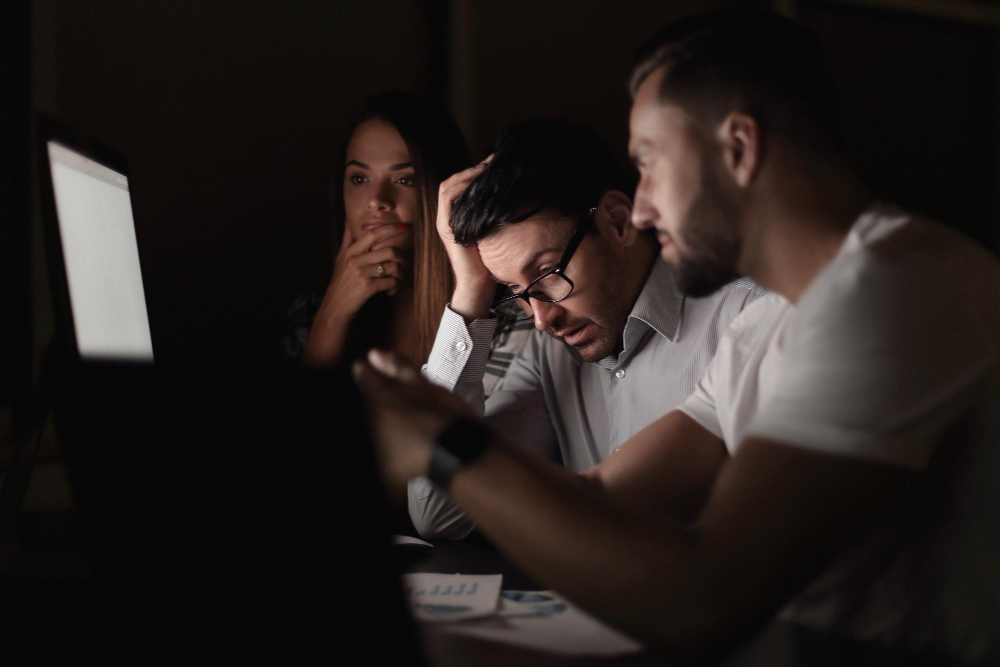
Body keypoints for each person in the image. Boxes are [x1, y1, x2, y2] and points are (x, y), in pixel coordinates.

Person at [355, 11, 1000, 663]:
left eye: (650, 163)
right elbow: (599, 496)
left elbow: (702, 591)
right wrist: (433, 427)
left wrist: (448, 445)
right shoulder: (764, 326)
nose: (638, 208)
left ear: (740, 148)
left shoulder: (893, 287)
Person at [410, 118, 766, 538]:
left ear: (617, 220)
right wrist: (470, 293)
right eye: (513, 290)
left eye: (547, 272)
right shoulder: (550, 355)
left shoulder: (748, 318)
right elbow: (438, 512)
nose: (541, 319)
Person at [284, 92, 532, 390]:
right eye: (359, 179)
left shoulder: (509, 315)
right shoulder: (310, 312)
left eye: (405, 180)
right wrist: (332, 315)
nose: (377, 201)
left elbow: (461, 432)